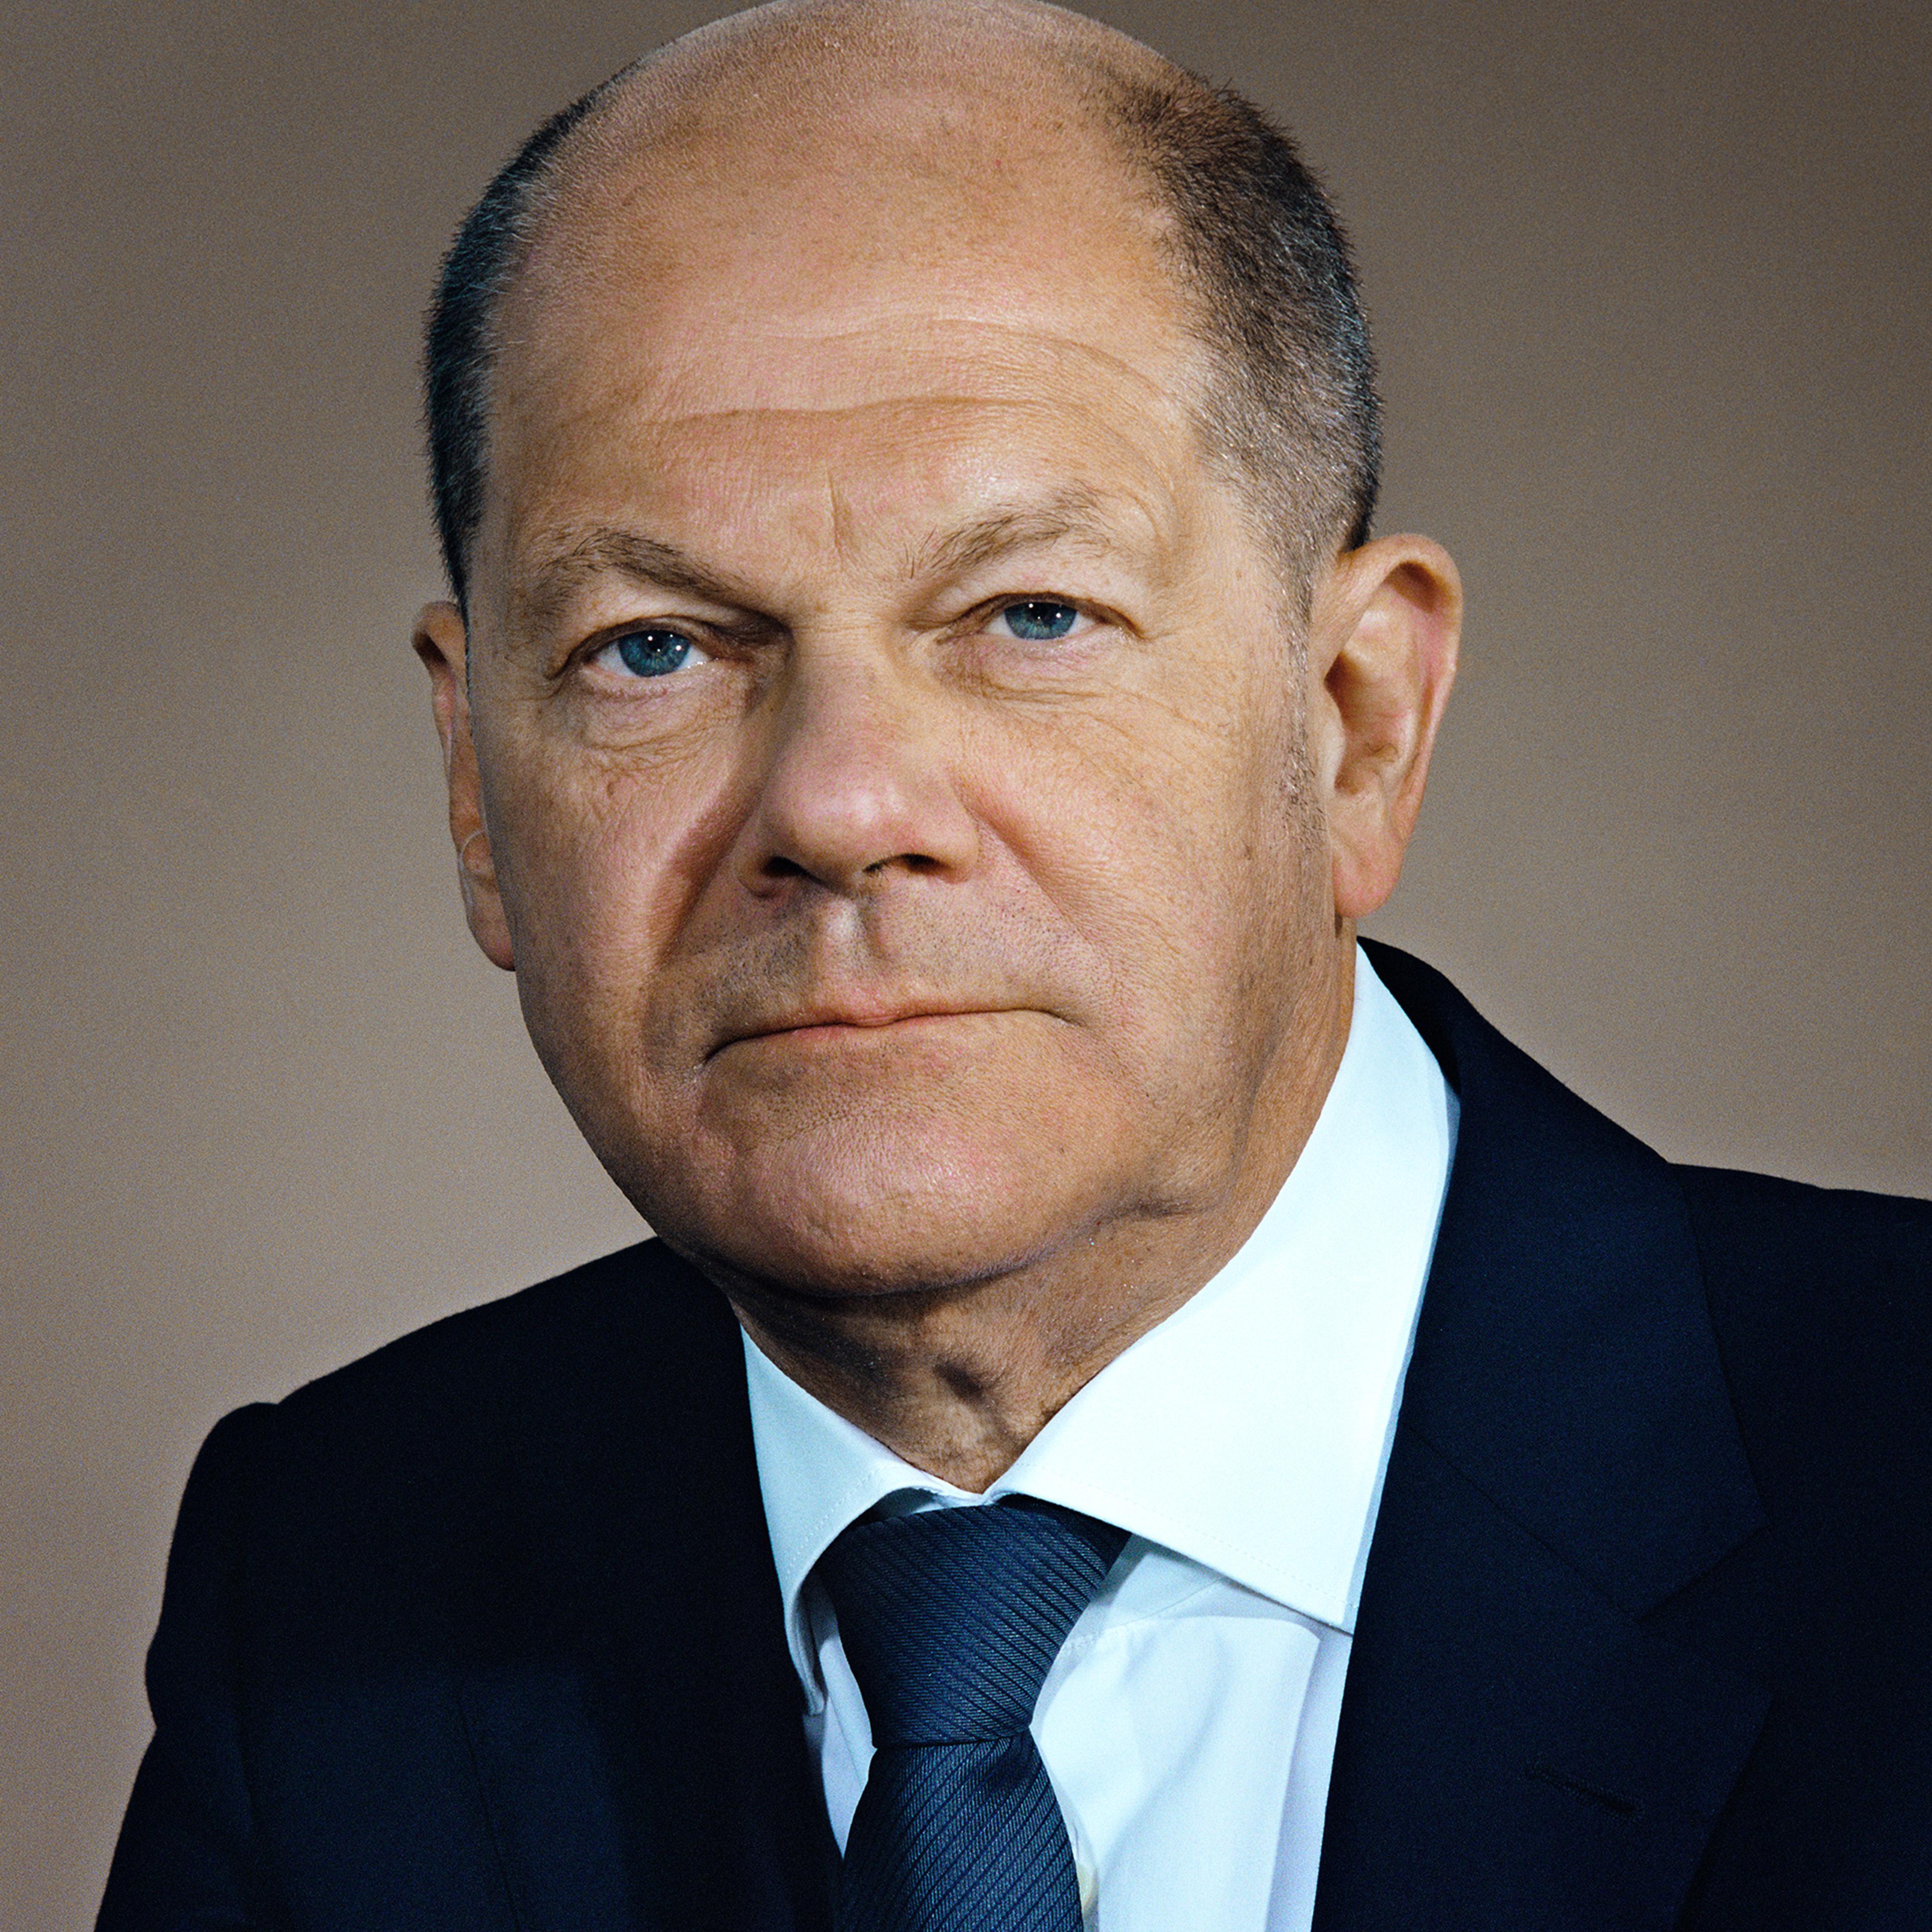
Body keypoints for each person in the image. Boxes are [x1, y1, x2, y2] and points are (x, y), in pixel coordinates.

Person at [98, 2, 1932, 1927]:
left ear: (1353, 722)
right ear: (480, 794)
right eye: (654, 647)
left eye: (1031, 614)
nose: (839, 805)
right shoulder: (330, 1589)